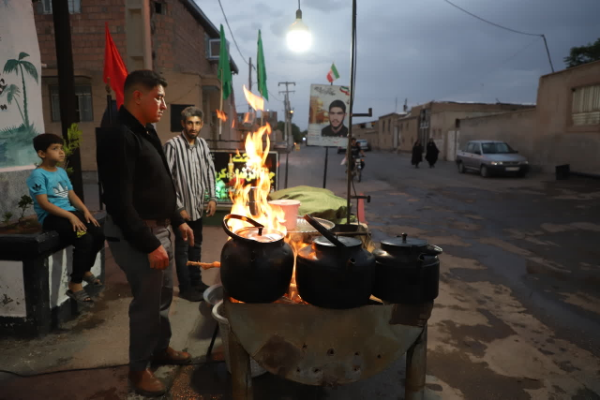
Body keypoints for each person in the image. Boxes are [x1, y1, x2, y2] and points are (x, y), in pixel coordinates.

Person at [97, 70, 195, 397]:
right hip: (139, 235)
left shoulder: (146, 131)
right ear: (137, 96)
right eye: (159, 98)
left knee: (164, 296)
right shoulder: (119, 136)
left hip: (159, 228)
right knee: (147, 305)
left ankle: (160, 349)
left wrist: (177, 218)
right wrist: (150, 243)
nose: (164, 105)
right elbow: (118, 201)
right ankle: (139, 370)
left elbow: (159, 181)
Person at [27, 133, 105, 305]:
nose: (61, 152)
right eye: (55, 149)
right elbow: (44, 204)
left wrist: (85, 211)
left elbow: (71, 195)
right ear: (42, 153)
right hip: (52, 217)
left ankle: (85, 270)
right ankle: (75, 284)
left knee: (99, 234)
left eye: (61, 148)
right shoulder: (38, 175)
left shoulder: (61, 172)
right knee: (84, 239)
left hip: (70, 213)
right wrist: (70, 216)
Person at [164, 107, 217, 302]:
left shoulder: (203, 145)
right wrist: (179, 208)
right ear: (183, 124)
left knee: (196, 246)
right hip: (182, 211)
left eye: (197, 123)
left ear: (201, 124)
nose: (193, 127)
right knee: (183, 249)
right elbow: (166, 180)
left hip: (197, 208)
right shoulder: (172, 146)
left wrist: (212, 198)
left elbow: (210, 171)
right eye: (189, 123)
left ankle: (196, 282)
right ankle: (185, 288)